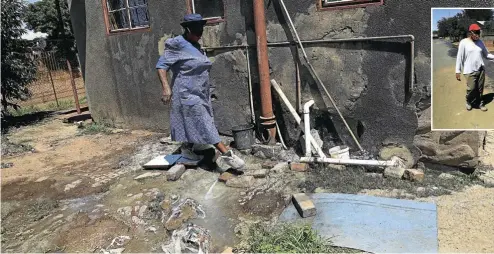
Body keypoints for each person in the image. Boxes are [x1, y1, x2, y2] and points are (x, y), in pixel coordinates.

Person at [156, 13, 245, 170]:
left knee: (195, 121)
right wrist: (166, 88)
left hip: (201, 92)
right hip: (186, 93)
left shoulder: (196, 46)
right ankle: (226, 154)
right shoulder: (176, 44)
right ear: (187, 29)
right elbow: (161, 66)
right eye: (196, 31)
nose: (199, 34)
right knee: (203, 122)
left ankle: (187, 149)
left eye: (201, 30)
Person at [455, 23, 494, 112]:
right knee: (471, 88)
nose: (477, 34)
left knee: (480, 89)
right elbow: (459, 57)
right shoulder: (464, 42)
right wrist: (457, 71)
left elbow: (487, 54)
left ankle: (479, 102)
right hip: (469, 70)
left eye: (478, 32)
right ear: (470, 32)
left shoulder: (480, 42)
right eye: (476, 32)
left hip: (480, 69)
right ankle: (468, 101)